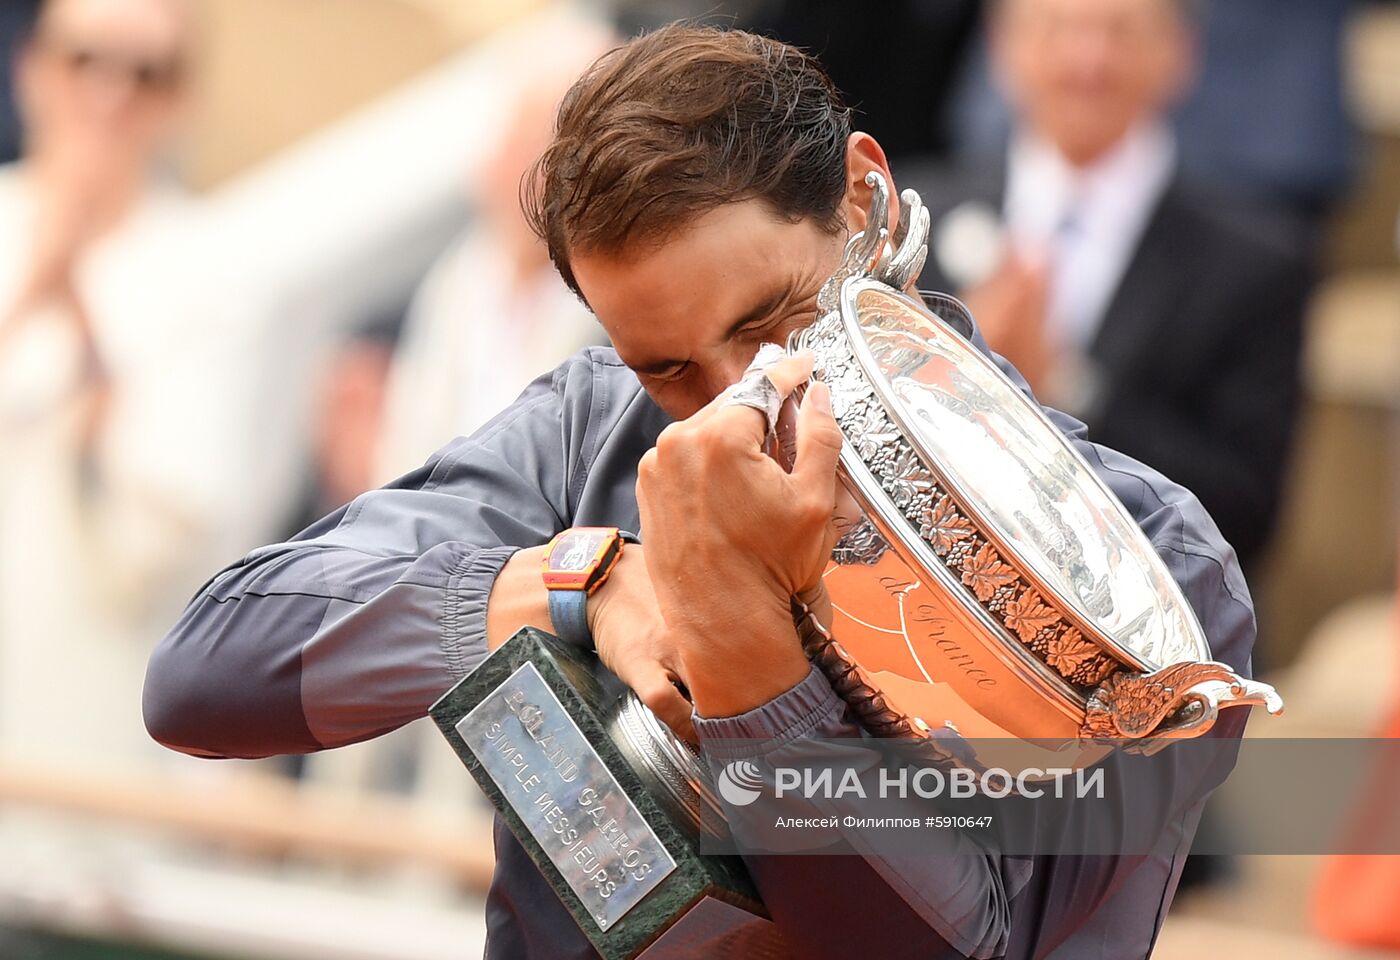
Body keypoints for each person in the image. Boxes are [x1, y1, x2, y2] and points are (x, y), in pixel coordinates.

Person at [145, 25, 1259, 958]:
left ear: (862, 199)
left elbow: (956, 941)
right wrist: (581, 586)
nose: (737, 404)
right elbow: (202, 677)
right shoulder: (594, 426)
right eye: (668, 366)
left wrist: (739, 650)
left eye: (769, 318)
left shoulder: (1147, 563)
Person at [905, 0, 1312, 574]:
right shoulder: (910, 213)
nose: (1087, 60)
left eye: (1119, 33)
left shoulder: (1257, 260)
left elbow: (1245, 512)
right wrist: (948, 373)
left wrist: (1066, 388)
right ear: (1002, 46)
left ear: (1179, 53)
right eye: (1057, 29)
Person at [0, 0, 264, 770]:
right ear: (33, 70)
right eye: (86, 60)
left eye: (146, 73)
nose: (110, 94)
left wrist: (85, 337)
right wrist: (30, 299)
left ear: (182, 101)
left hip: (86, 723)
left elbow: (176, 529)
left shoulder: (212, 275)